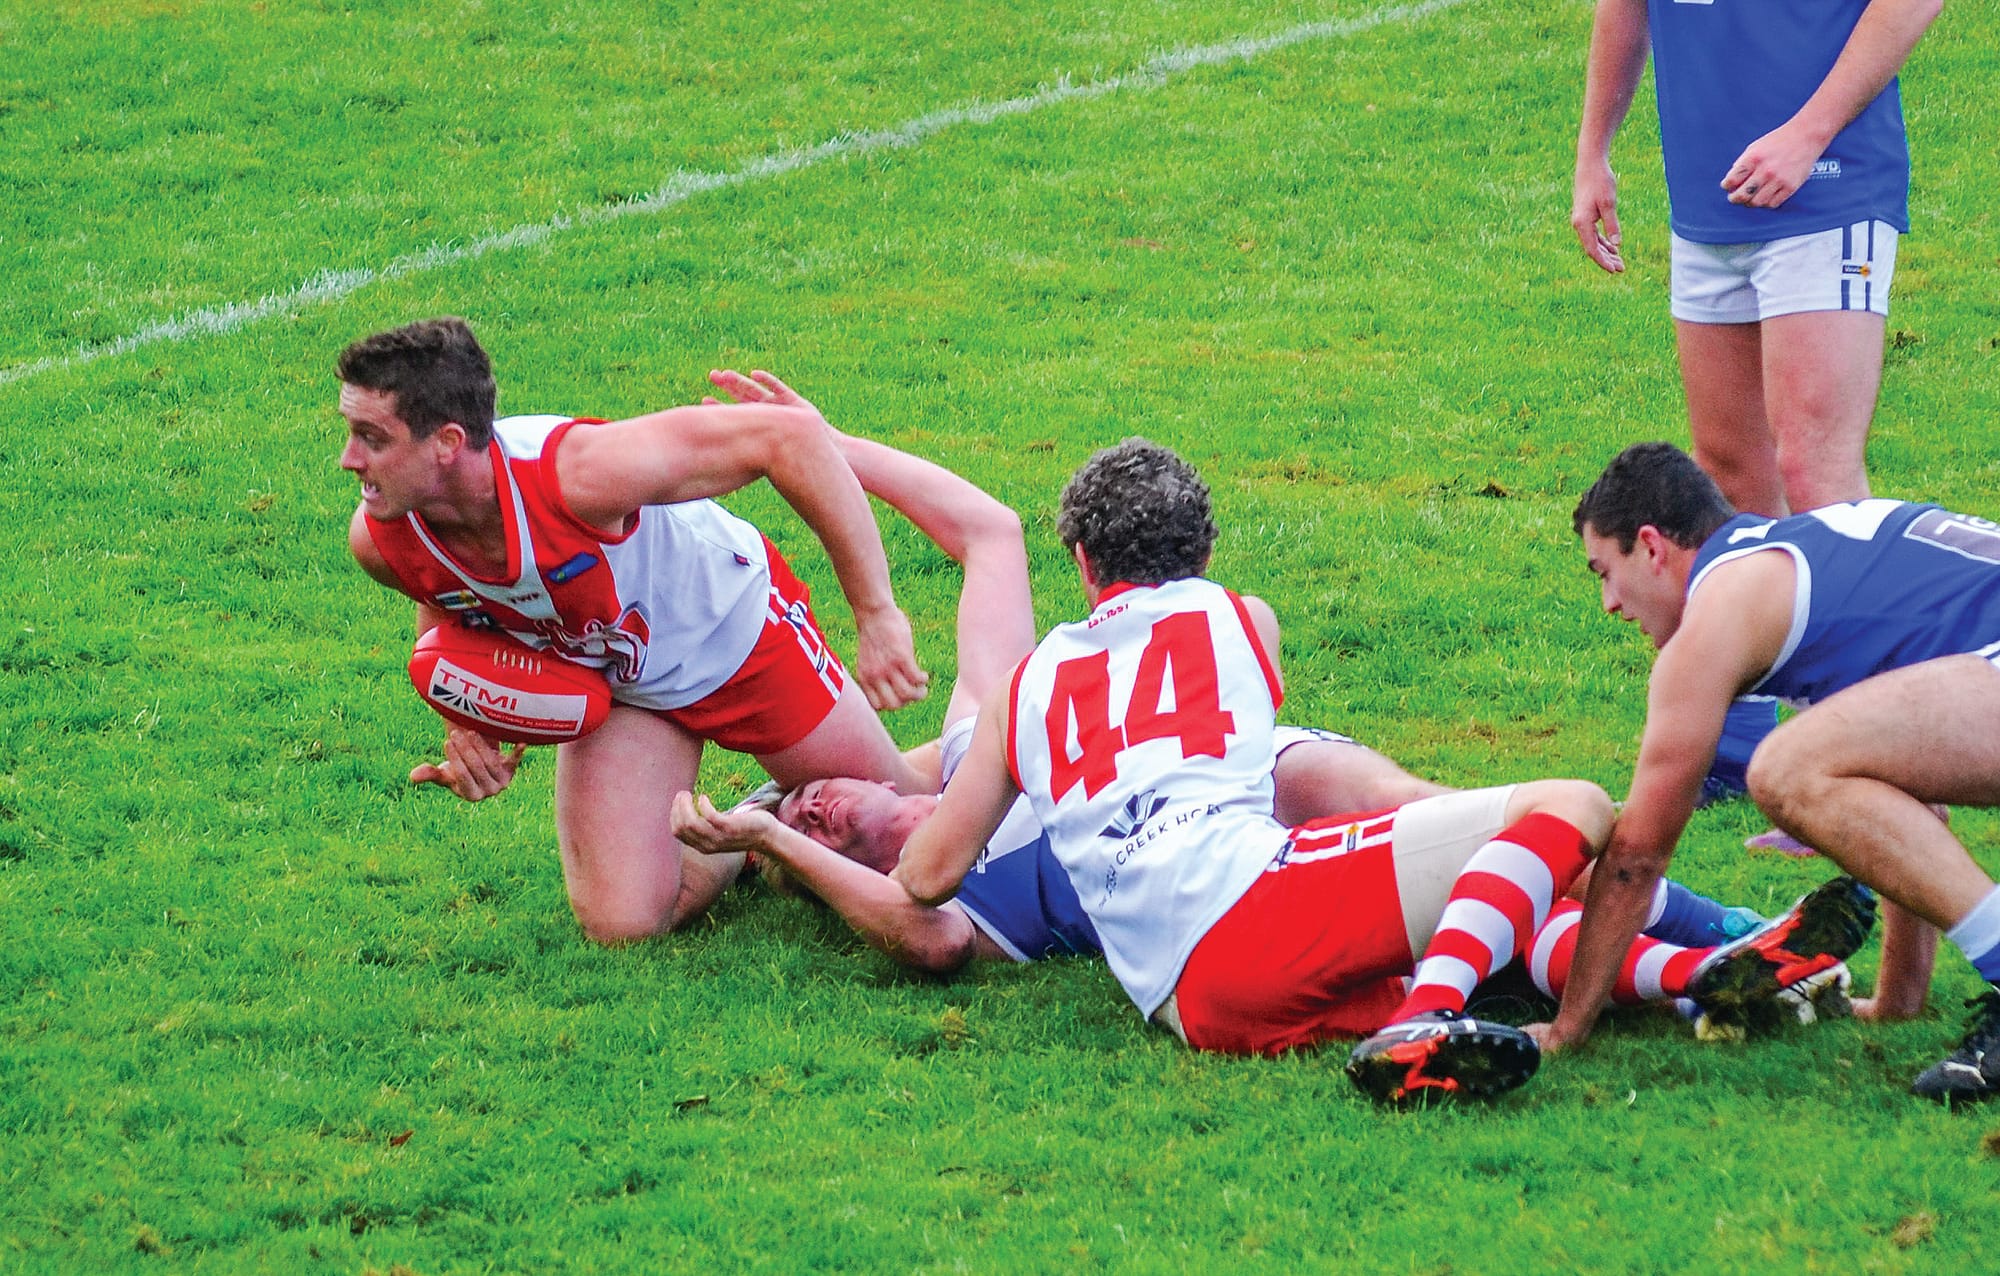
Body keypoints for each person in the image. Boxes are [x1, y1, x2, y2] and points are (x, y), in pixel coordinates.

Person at [875, 439, 1853, 1105]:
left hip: (1188, 1005)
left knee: (1497, 957)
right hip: (1250, 907)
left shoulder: (1026, 685)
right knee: (1564, 809)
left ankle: (1704, 978)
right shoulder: (1240, 616)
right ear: (1205, 548)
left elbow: (926, 875)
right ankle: (1428, 1021)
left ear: (1083, 564)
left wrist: (784, 839)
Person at [673, 434, 1776, 997]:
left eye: (813, 794)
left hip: (1214, 800)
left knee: (1382, 801)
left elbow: (985, 529)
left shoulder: (988, 719)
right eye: (823, 830)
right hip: (1203, 860)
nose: (822, 805)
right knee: (1465, 886)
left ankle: (1696, 930)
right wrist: (765, 837)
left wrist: (808, 443)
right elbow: (920, 915)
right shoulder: (975, 852)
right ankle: (1686, 962)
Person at [336, 318, 930, 943]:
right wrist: (469, 726)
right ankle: (755, 826)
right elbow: (443, 603)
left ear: (448, 442)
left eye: (372, 438)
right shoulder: (380, 536)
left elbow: (787, 437)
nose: (350, 459)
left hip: (737, 639)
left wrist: (877, 614)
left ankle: (983, 736)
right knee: (624, 924)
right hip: (621, 686)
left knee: (909, 842)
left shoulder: (579, 474)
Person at [1546, 441, 2000, 1103]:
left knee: (1786, 768)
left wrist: (1567, 1029)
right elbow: (1909, 810)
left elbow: (1636, 857)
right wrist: (1899, 1002)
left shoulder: (1718, 613)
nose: (1610, 604)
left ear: (1649, 546)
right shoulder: (1797, 559)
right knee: (1824, 759)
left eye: (1603, 572)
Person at [1571, 0, 1941, 519]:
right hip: (1708, 200)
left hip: (1826, 192)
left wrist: (1809, 133)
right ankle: (1770, 603)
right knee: (1731, 479)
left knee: (1816, 475)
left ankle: (1856, 602)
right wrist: (1593, 151)